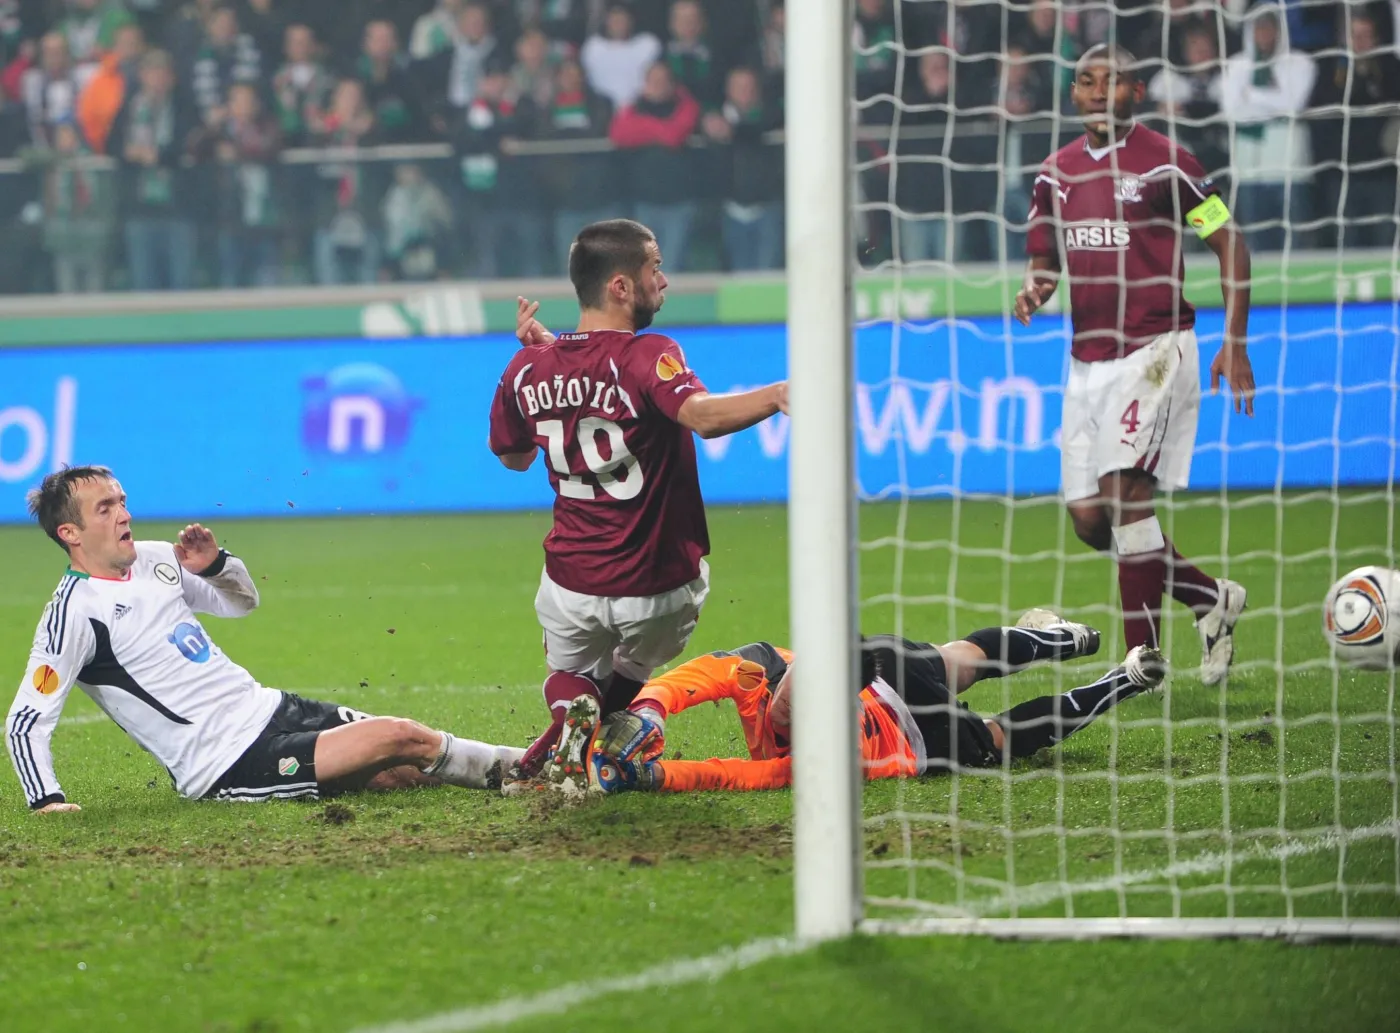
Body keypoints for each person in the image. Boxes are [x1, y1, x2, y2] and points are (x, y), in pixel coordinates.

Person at [6, 466, 524, 812]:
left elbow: (240, 603)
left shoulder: (156, 558)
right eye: (105, 508)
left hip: (273, 709)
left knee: (404, 767)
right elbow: (26, 721)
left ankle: (532, 775)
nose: (124, 514)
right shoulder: (73, 614)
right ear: (70, 533)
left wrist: (216, 566)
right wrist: (46, 799)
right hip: (227, 761)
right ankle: (533, 768)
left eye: (122, 501)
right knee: (398, 736)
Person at [491, 218, 787, 789]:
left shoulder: (526, 367)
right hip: (658, 584)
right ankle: (569, 738)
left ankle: (565, 726)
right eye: (656, 268)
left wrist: (550, 361)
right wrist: (776, 394)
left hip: (573, 580)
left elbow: (515, 458)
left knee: (570, 676)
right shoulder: (649, 354)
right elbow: (700, 416)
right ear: (621, 286)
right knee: (632, 667)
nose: (664, 281)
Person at [1014, 44, 1255, 685]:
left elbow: (1229, 243)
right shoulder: (1055, 173)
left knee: (1126, 497)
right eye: (1086, 81)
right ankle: (1210, 599)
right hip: (1086, 360)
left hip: (1155, 349)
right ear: (1073, 93)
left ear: (1136, 92)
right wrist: (1036, 288)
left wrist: (1234, 340)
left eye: (1112, 81)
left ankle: (1139, 660)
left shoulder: (1168, 163)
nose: (1098, 91)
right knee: (1091, 522)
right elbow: (1044, 259)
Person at [554, 612, 1164, 794]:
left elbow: (734, 773)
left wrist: (656, 775)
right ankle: (1075, 644)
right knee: (962, 659)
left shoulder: (819, 759)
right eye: (789, 687)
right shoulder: (766, 668)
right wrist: (651, 710)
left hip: (914, 734)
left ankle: (1118, 676)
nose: (780, 701)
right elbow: (696, 676)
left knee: (998, 733)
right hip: (888, 679)